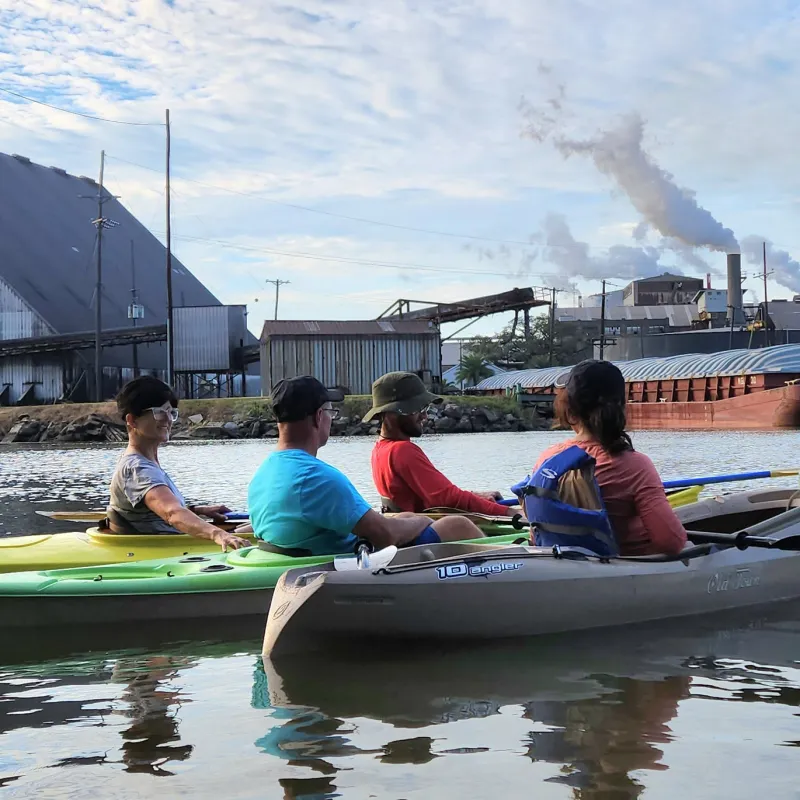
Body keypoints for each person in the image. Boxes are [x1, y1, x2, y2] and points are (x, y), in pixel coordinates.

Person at [248, 376, 485, 556]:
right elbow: (386, 537)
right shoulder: (316, 478)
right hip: (353, 565)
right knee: (457, 525)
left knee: (406, 516)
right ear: (319, 417)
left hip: (304, 552)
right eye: (331, 412)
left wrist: (407, 519)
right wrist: (422, 521)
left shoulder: (264, 473)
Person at [518, 360, 687, 557]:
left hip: (566, 564)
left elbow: (535, 533)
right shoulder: (635, 466)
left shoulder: (548, 460)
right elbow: (670, 542)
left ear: (569, 408)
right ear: (620, 408)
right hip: (626, 569)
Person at [107, 376, 249, 551]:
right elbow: (171, 513)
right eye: (159, 412)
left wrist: (196, 510)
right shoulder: (138, 469)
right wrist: (218, 534)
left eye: (171, 412)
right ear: (132, 420)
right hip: (166, 551)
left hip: (174, 543)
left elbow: (155, 509)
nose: (167, 419)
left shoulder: (145, 463)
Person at [366, 371, 517, 517]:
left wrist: (475, 496)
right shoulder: (402, 450)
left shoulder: (379, 450)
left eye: (425, 408)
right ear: (392, 413)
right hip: (419, 532)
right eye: (417, 409)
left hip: (407, 528)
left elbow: (437, 494)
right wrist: (509, 513)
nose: (424, 416)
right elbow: (448, 500)